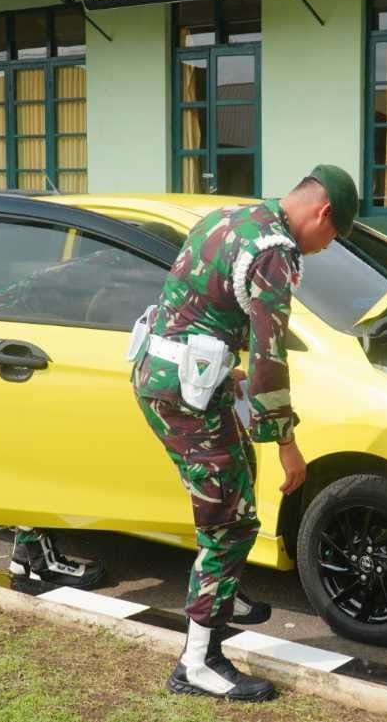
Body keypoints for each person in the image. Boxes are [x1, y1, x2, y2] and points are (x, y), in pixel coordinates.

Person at [132, 165, 357, 702]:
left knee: (236, 489)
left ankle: (221, 597)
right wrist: (287, 443)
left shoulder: (232, 216)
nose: (327, 248)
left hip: (168, 375)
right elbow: (269, 356)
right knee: (229, 524)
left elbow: (192, 299)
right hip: (186, 395)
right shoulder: (277, 251)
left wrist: (217, 366)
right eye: (333, 237)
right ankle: (198, 663)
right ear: (322, 213)